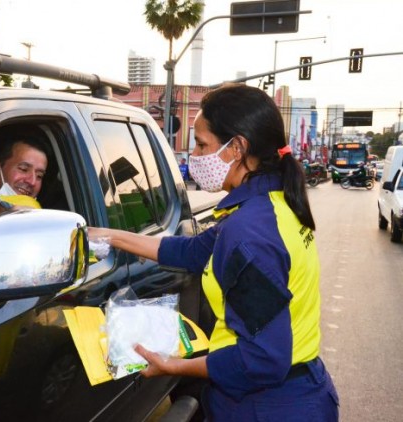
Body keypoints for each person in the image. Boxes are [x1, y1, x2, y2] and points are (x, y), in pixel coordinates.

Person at [88, 84, 338, 421]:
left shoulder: (248, 233)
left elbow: (263, 359)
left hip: (266, 406)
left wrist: (174, 365)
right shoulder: (272, 205)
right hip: (296, 391)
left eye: (203, 144)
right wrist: (112, 237)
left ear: (236, 148)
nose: (196, 155)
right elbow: (191, 251)